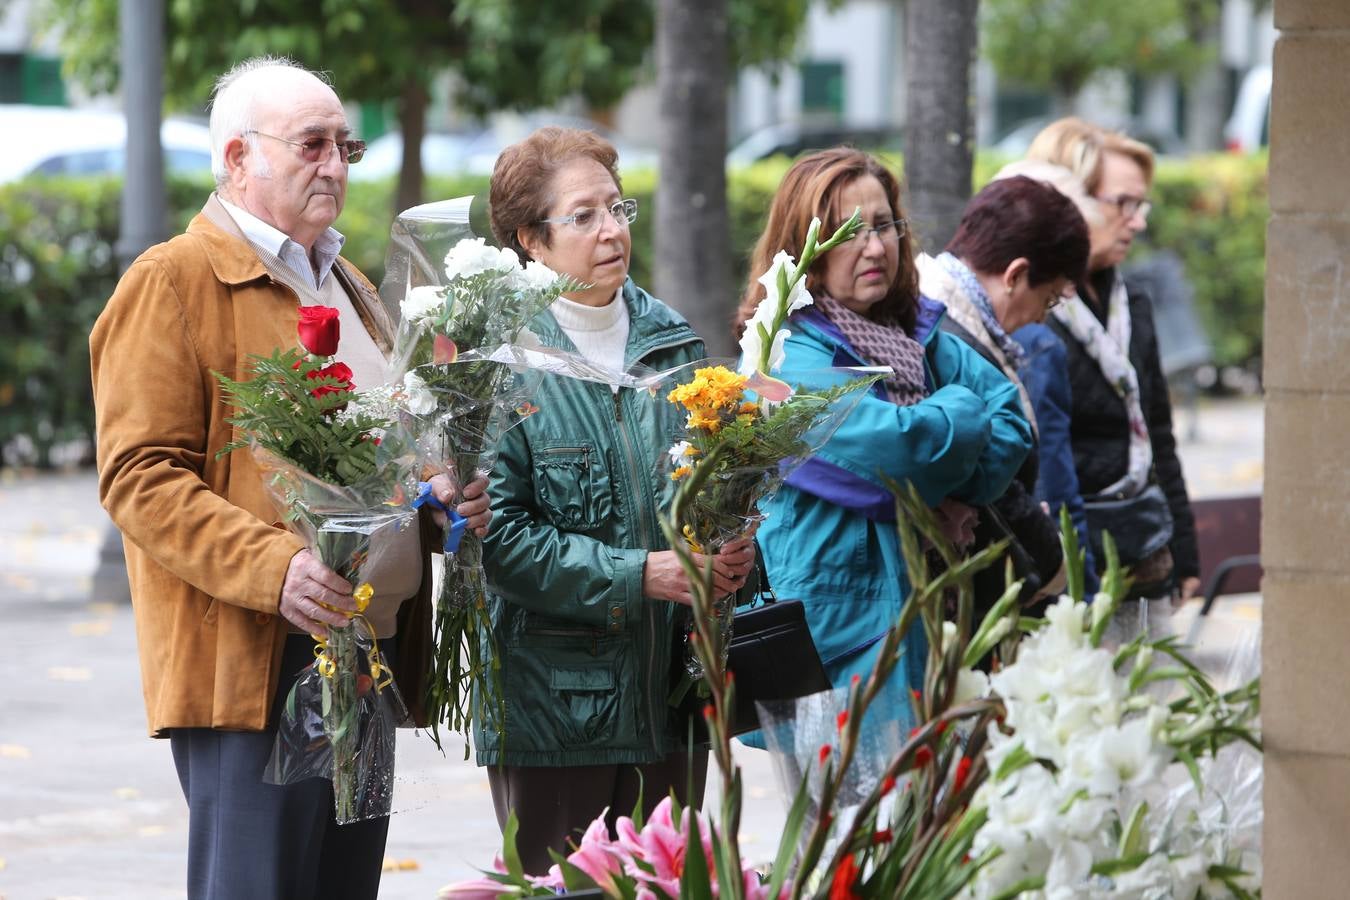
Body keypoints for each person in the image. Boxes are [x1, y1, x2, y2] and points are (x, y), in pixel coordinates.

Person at [90, 57, 491, 900]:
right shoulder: (172, 280)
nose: (336, 165)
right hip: (252, 662)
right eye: (312, 144)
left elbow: (384, 455)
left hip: (365, 650)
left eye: (346, 146)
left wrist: (435, 499)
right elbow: (139, 476)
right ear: (238, 158)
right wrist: (275, 570)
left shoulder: (347, 281)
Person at [479, 126, 756, 874]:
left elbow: (711, 485)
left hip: (672, 699)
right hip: (554, 711)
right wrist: (643, 574)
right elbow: (497, 540)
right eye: (584, 216)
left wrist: (732, 547)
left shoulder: (675, 345)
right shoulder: (497, 361)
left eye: (618, 208)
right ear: (531, 241)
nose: (612, 230)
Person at [733, 147, 1033, 708]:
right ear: (804, 247)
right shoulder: (781, 355)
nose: (874, 247)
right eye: (850, 231)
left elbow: (1014, 424)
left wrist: (938, 480)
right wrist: (962, 408)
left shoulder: (915, 331)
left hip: (934, 623)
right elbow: (901, 457)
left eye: (885, 225)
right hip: (841, 647)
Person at [1015, 118, 1200, 602]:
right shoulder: (1029, 312)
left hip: (1143, 549)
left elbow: (1156, 426)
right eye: (1124, 203)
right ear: (1066, 201)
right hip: (1068, 566)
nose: (1137, 220)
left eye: (1141, 205)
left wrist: (1184, 547)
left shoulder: (1130, 301)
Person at [916, 173, 1092, 605]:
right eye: (1049, 300)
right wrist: (1051, 565)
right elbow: (994, 484)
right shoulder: (947, 334)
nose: (1040, 320)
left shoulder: (940, 315)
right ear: (1016, 275)